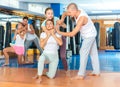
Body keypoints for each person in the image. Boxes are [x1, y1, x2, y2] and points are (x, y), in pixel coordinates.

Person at [56, 3, 100, 79]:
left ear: (75, 10)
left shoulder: (81, 18)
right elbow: (64, 13)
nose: (69, 14)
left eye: (70, 12)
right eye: (68, 12)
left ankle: (81, 74)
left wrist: (59, 32)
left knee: (83, 52)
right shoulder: (74, 11)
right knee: (93, 53)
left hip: (89, 36)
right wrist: (62, 19)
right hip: (91, 33)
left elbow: (72, 33)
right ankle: (96, 72)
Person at [41, 7, 68, 73]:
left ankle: (66, 70)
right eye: (48, 13)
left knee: (63, 56)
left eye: (52, 13)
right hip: (51, 39)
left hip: (60, 38)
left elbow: (65, 26)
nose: (50, 15)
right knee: (48, 55)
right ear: (45, 15)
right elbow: (47, 32)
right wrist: (54, 29)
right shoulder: (43, 24)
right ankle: (49, 69)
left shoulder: (56, 19)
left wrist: (61, 23)